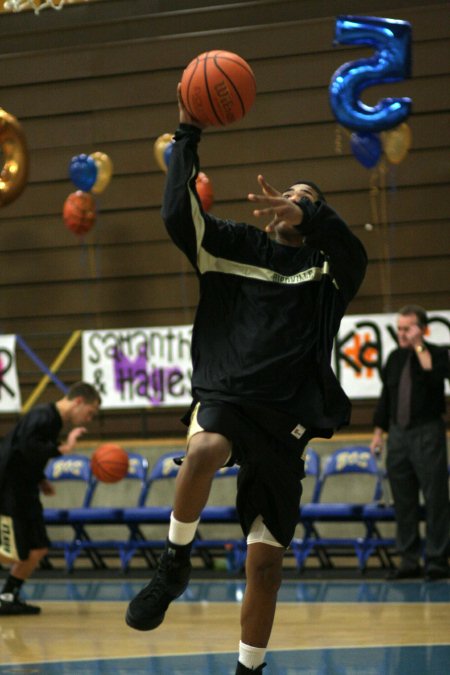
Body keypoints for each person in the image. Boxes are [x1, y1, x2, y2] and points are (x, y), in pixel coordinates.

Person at [125, 84, 367, 674]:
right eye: (288, 193)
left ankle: (248, 671)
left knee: (265, 565)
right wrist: (187, 134)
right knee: (205, 445)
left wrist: (312, 213)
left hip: (287, 419)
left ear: (314, 218)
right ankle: (174, 565)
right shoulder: (234, 244)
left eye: (304, 200)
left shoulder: (329, 269)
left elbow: (351, 248)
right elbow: (176, 214)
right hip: (229, 393)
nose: (291, 201)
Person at [0, 381, 101, 615]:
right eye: (90, 413)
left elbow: (26, 452)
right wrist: (63, 449)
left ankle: (7, 594)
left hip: (22, 486)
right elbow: (26, 446)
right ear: (78, 402)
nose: (88, 419)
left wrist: (40, 479)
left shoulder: (51, 420)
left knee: (38, 546)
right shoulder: (44, 415)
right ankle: (7, 594)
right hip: (10, 487)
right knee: (15, 549)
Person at [370, 305, 449, 581]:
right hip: (398, 435)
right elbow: (386, 399)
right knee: (404, 500)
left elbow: (433, 373)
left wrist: (418, 345)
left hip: (427, 431)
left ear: (421, 329)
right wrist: (378, 433)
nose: (401, 333)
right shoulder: (393, 358)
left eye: (407, 328)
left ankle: (438, 559)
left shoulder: (435, 353)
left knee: (436, 497)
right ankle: (409, 558)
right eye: (399, 328)